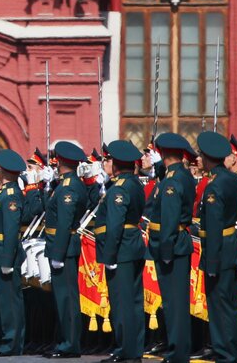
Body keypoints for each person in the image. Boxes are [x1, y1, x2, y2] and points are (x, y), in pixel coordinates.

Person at [192, 132, 237, 363]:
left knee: (219, 306)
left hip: (219, 251)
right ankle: (230, 351)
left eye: (200, 155)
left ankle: (225, 355)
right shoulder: (233, 179)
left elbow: (214, 225)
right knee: (230, 306)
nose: (198, 159)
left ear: (207, 158)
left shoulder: (214, 186)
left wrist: (211, 261)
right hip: (231, 246)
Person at [147, 132, 197, 363]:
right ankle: (177, 349)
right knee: (174, 302)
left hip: (172, 245)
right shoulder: (179, 176)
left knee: (174, 303)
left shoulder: (173, 180)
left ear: (163, 153)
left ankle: (178, 352)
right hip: (175, 243)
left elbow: (169, 217)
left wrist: (165, 248)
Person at [96, 140, 147, 363]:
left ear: (116, 165)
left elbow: (115, 224)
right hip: (133, 245)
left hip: (122, 249)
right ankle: (134, 349)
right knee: (134, 301)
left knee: (122, 301)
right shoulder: (135, 184)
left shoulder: (119, 188)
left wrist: (109, 255)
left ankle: (125, 350)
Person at [43, 140, 89, 359]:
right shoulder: (65, 184)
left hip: (64, 247)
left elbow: (64, 222)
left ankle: (70, 344)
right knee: (62, 298)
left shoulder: (69, 187)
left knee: (67, 299)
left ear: (59, 161)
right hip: (60, 245)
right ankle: (64, 341)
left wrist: (58, 253)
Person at [0, 149, 27, 357]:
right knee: (5, 301)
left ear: (5, 172)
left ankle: (11, 344)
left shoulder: (11, 196)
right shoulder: (4, 192)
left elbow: (11, 231)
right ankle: (9, 341)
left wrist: (7, 259)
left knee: (10, 302)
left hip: (5, 253)